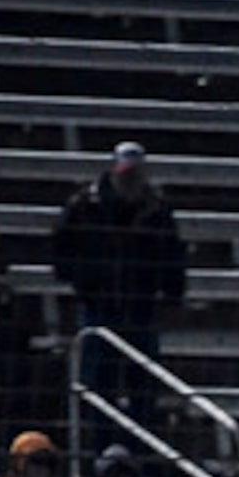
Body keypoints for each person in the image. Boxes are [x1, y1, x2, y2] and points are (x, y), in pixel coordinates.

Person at [50, 142, 187, 426]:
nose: (130, 181)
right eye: (126, 174)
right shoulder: (85, 205)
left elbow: (173, 255)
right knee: (99, 387)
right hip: (100, 305)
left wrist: (172, 294)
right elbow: (61, 249)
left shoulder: (158, 211)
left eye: (135, 175)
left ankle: (137, 454)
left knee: (144, 388)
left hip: (141, 308)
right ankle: (99, 451)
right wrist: (86, 283)